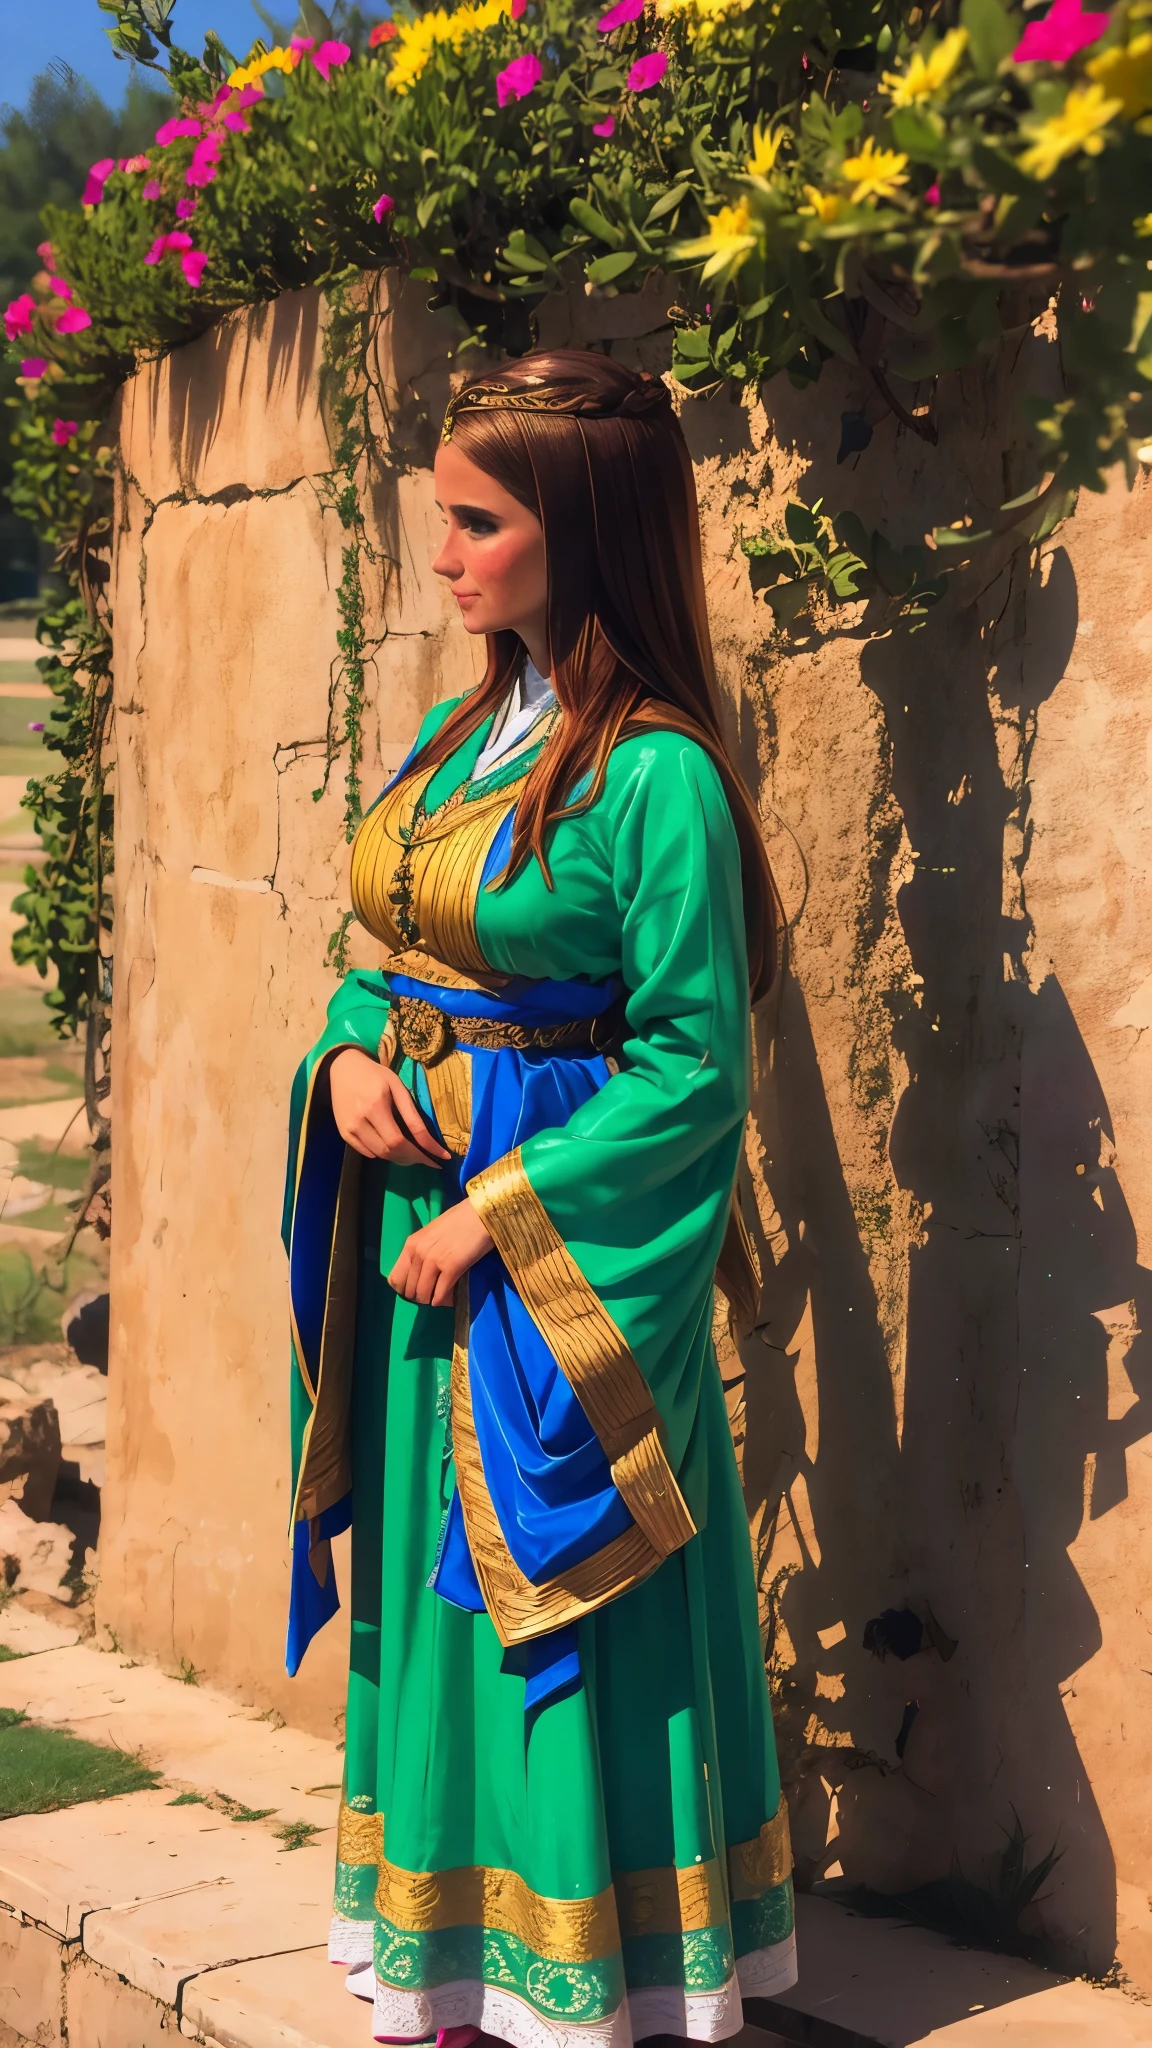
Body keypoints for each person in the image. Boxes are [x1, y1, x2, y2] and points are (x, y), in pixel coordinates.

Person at [283, 348, 797, 2048]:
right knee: (435, 1631)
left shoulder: (656, 778)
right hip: (428, 1277)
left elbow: (690, 1068)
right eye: (442, 519)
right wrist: (350, 1065)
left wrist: (492, 1205)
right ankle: (451, 1982)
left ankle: (590, 1989)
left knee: (551, 1635)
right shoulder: (455, 731)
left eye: (475, 523)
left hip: (543, 1290)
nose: (442, 557)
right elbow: (400, 957)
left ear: (576, 531)